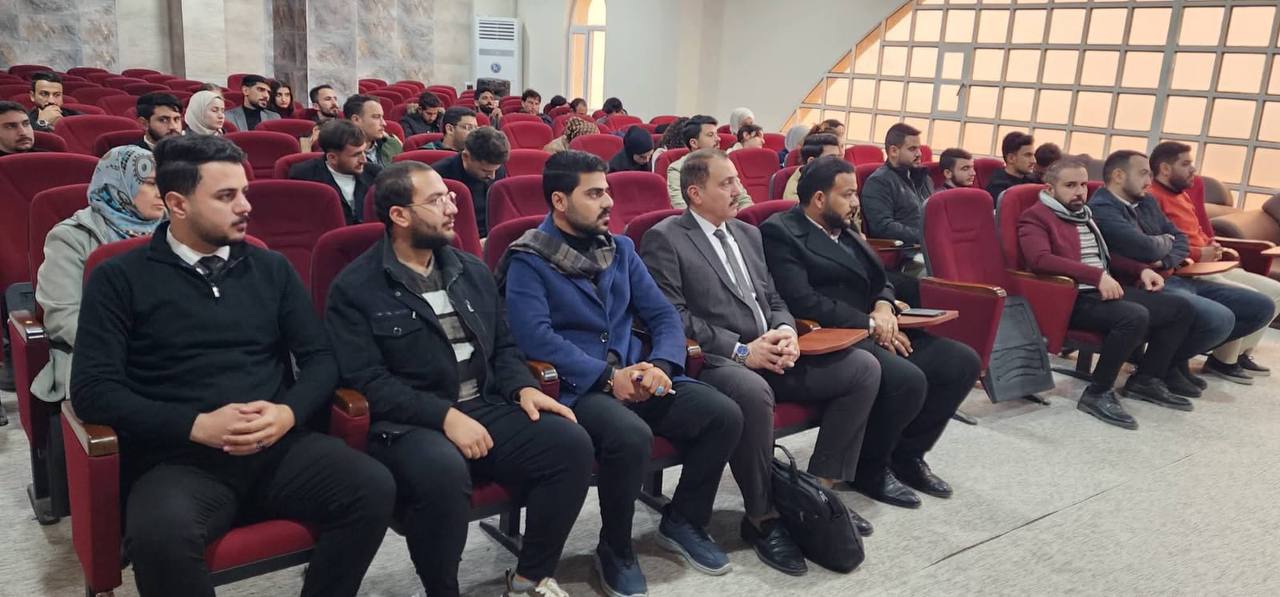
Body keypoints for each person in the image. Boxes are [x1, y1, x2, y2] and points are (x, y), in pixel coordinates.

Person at [69, 134, 394, 596]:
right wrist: (196, 425)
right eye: (226, 196)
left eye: (244, 192)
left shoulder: (271, 268)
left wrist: (287, 413)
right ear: (178, 204)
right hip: (179, 458)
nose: (245, 206)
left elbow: (321, 359)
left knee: (373, 486)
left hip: (276, 444)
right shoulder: (119, 278)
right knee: (160, 537)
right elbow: (93, 391)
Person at [325, 161, 591, 597]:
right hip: (410, 422)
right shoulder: (356, 287)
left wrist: (523, 387)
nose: (453, 208)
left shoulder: (470, 269)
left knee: (570, 444)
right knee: (443, 472)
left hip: (483, 403)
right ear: (399, 215)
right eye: (436, 201)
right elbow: (367, 381)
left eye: (450, 197)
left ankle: (529, 579)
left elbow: (504, 346)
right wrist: (445, 417)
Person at [501, 150, 743, 596]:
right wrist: (609, 378)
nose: (609, 201)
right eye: (594, 194)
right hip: (578, 385)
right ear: (559, 201)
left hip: (635, 370)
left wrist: (662, 365)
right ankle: (615, 547)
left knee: (722, 414)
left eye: (608, 191)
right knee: (630, 436)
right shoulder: (529, 259)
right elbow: (535, 338)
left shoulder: (621, 249)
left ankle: (683, 520)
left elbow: (664, 315)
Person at [640, 149, 880, 573]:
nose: (739, 189)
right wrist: (741, 350)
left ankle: (814, 492)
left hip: (771, 349)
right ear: (695, 193)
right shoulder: (666, 238)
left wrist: (786, 331)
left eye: (737, 180)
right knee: (752, 392)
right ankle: (762, 516)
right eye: (726, 183)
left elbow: (773, 298)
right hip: (717, 361)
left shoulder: (748, 234)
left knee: (862, 369)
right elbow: (674, 316)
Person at [762, 155, 979, 507]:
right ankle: (869, 468)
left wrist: (883, 305)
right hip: (833, 334)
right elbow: (802, 300)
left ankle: (906, 455)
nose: (855, 202)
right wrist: (871, 324)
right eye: (847, 194)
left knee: (960, 362)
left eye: (856, 193)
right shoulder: (781, 232)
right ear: (819, 198)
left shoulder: (844, 228)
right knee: (907, 380)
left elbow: (882, 279)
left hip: (874, 323)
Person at [1018, 158, 1198, 426]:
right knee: (1133, 316)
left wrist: (1140, 270)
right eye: (1070, 185)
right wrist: (1096, 276)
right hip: (1070, 297)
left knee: (1180, 309)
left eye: (1082, 185)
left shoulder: (1083, 215)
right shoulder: (1036, 216)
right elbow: (1040, 259)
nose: (1079, 191)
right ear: (1050, 189)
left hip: (1099, 288)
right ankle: (1098, 392)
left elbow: (1106, 257)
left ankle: (1146, 379)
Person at [1090, 150, 1272, 397]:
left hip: (1174, 274)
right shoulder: (1102, 207)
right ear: (1119, 176)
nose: (1149, 181)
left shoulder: (1146, 201)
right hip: (1143, 283)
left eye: (1150, 174)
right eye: (1143, 174)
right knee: (1219, 319)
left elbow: (1181, 239)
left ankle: (1167, 364)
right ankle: (1155, 370)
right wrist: (1165, 244)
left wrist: (1164, 257)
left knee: (1261, 306)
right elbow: (1145, 248)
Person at [31, 146, 168, 404]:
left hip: (174, 350)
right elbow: (63, 316)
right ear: (120, 184)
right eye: (150, 183)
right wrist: (135, 347)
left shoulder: (177, 229)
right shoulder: (71, 237)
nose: (162, 192)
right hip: (102, 355)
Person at [1147, 141, 1279, 380]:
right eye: (1186, 164)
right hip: (1187, 269)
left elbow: (1198, 231)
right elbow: (1159, 243)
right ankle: (1221, 360)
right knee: (1246, 300)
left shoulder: (1182, 195)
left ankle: (1237, 354)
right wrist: (1199, 253)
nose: (1193, 169)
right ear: (1165, 169)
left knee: (1274, 292)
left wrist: (1212, 244)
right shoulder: (1153, 198)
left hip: (1209, 265)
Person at [860, 123, 933, 275]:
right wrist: (923, 236)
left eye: (919, 148)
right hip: (907, 256)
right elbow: (883, 227)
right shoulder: (879, 182)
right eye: (912, 149)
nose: (919, 154)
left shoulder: (923, 179)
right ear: (893, 151)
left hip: (930, 248)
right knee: (943, 272)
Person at [288, 120, 381, 225]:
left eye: (364, 152)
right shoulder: (304, 176)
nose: (363, 159)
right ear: (332, 158)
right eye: (356, 155)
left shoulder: (375, 174)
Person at [433, 126, 509, 237]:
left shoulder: (497, 169)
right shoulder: (438, 178)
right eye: (485, 170)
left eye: (495, 170)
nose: (493, 176)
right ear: (465, 156)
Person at [668, 115, 736, 208]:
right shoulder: (677, 169)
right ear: (694, 143)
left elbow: (743, 199)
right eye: (710, 135)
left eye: (716, 134)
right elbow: (680, 205)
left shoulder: (724, 164)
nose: (718, 139)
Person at [345, 94, 403, 167]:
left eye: (382, 117)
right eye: (376, 117)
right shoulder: (341, 152)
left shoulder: (392, 144)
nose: (384, 123)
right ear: (356, 120)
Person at [782, 133, 842, 201]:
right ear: (811, 162)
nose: (838, 163)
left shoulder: (838, 178)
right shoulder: (795, 194)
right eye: (831, 158)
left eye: (838, 157)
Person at [986, 132, 1036, 200]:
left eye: (1033, 155)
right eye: (1028, 155)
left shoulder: (1032, 180)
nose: (1034, 161)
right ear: (1011, 158)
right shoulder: (998, 188)